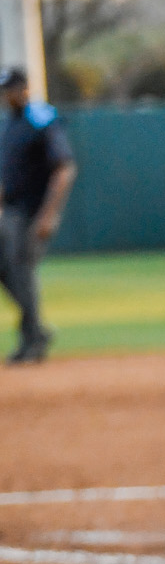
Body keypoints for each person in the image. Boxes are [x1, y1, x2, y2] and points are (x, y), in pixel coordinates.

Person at [0, 68, 74, 365]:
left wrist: (49, 215)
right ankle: (36, 330)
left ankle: (32, 339)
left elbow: (64, 168)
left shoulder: (40, 119)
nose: (5, 96)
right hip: (12, 211)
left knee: (21, 269)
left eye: (9, 89)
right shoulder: (10, 123)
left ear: (24, 89)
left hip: (33, 211)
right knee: (7, 269)